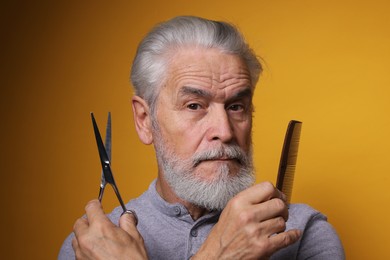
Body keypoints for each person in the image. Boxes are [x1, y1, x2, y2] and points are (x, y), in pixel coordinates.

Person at [59, 16, 345, 259]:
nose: (225, 130)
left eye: (236, 106)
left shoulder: (303, 233)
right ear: (145, 121)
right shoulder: (92, 246)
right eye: (194, 106)